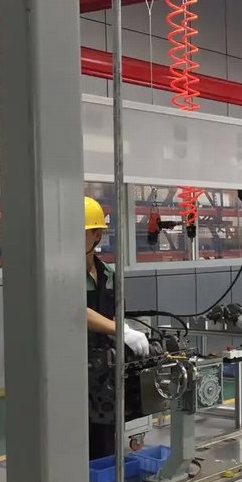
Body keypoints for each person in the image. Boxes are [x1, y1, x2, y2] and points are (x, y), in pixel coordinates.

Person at [84, 196, 150, 460]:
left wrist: (123, 328)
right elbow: (76, 311)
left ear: (97, 235)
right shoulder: (61, 274)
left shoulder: (108, 274)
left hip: (102, 370)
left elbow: (114, 313)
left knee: (104, 441)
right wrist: (120, 331)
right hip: (70, 369)